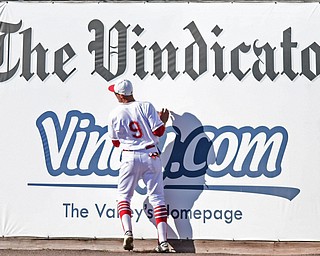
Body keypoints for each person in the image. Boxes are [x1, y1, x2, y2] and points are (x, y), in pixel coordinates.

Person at [107, 79, 170, 253]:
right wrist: (162, 121)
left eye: (115, 93)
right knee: (157, 199)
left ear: (120, 95)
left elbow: (115, 143)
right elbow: (158, 132)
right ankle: (163, 242)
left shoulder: (114, 113)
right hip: (151, 154)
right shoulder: (146, 106)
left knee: (124, 197)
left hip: (129, 156)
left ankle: (128, 232)